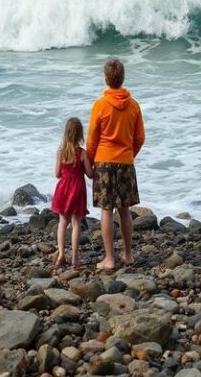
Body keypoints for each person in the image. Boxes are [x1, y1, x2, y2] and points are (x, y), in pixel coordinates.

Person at [87, 59, 145, 270]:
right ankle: (128, 254)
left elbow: (92, 139)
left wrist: (91, 162)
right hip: (125, 162)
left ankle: (109, 258)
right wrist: (129, 155)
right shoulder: (134, 105)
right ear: (123, 78)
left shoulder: (100, 105)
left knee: (106, 210)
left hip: (103, 161)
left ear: (105, 79)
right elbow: (139, 138)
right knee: (124, 211)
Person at [51, 117, 93, 267]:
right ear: (80, 135)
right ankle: (75, 258)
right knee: (76, 223)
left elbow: (57, 174)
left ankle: (61, 253)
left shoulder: (61, 152)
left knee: (62, 222)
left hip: (63, 188)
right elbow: (90, 174)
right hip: (77, 189)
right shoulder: (82, 153)